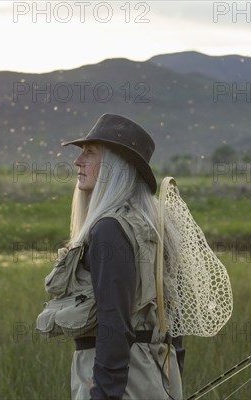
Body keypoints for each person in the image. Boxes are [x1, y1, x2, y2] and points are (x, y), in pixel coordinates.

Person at [59, 113, 185, 400]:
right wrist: (173, 376)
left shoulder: (109, 230)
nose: (78, 161)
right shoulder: (153, 227)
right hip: (154, 376)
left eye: (90, 153)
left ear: (115, 166)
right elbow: (173, 325)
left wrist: (104, 394)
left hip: (121, 385)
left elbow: (114, 326)